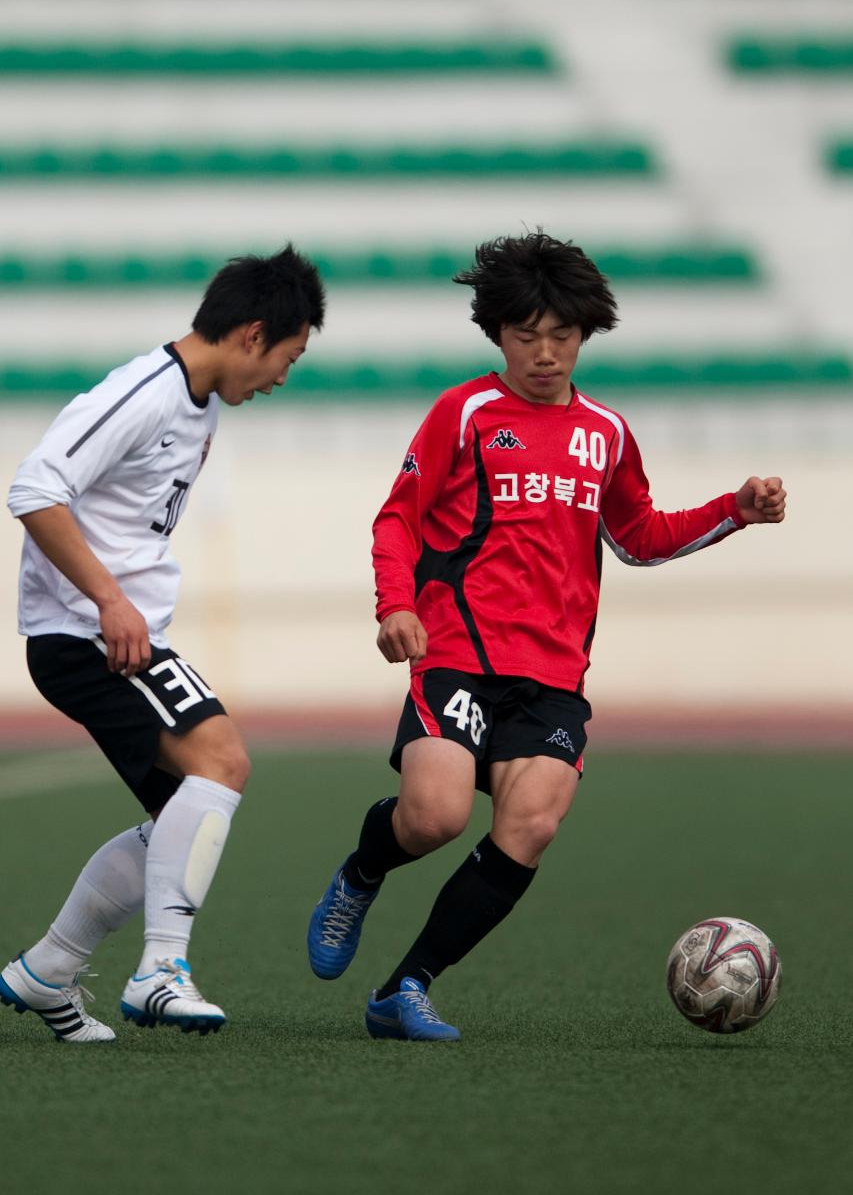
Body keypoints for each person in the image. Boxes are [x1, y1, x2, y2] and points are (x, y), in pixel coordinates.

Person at [306, 231, 786, 1042]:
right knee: (432, 817)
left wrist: (732, 509)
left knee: (531, 823)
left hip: (552, 676)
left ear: (582, 336)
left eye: (560, 336)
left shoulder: (606, 432)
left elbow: (636, 535)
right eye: (526, 335)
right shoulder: (462, 413)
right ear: (497, 334)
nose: (544, 353)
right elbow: (398, 517)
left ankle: (404, 989)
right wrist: (396, 605)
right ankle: (360, 872)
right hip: (454, 654)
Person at [1, 246, 324, 1042]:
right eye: (288, 356)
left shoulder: (203, 401)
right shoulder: (143, 393)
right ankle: (160, 971)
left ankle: (46, 970)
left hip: (110, 634)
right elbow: (34, 488)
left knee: (183, 819)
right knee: (222, 762)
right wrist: (109, 600)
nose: (284, 376)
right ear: (253, 335)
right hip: (90, 636)